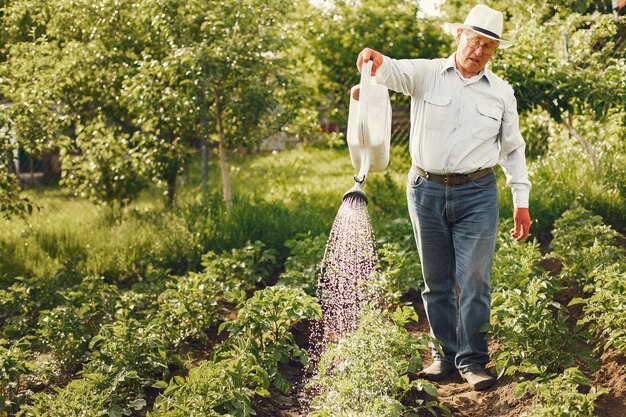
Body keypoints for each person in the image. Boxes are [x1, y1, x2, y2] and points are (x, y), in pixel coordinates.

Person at [356, 4, 531, 391]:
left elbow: (513, 149)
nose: (479, 51)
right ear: (458, 36)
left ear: (495, 51)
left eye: (489, 47)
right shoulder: (427, 74)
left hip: (478, 193)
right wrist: (374, 59)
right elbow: (392, 70)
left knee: (474, 281)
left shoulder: (501, 92)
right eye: (475, 41)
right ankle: (443, 356)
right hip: (426, 190)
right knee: (436, 281)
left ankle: (472, 360)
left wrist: (522, 200)